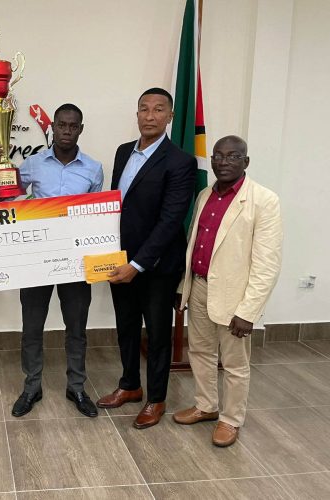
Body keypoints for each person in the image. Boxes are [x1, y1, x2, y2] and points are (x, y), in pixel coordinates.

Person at [0, 104, 104, 418]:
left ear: (80, 129)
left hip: (76, 262)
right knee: (31, 327)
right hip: (37, 261)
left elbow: (97, 218)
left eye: (73, 126)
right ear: (52, 127)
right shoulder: (33, 164)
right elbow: (8, 197)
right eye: (62, 125)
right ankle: (32, 386)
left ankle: (77, 387)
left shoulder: (94, 169)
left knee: (77, 327)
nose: (67, 131)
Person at [97, 88, 196, 429]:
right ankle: (130, 386)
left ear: (170, 116)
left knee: (156, 334)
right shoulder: (124, 152)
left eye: (158, 110)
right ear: (136, 114)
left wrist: (136, 265)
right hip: (119, 260)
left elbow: (171, 221)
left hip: (155, 267)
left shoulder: (181, 161)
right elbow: (115, 208)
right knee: (125, 326)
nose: (150, 116)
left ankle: (156, 398)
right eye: (144, 109)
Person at [173, 135, 282, 447]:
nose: (223, 162)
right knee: (200, 352)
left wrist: (248, 312)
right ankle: (206, 406)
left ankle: (230, 420)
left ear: (245, 162)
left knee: (234, 364)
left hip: (235, 299)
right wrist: (185, 287)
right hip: (200, 287)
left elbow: (267, 264)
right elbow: (196, 247)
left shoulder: (264, 200)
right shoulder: (205, 194)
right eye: (218, 156)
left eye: (233, 156)